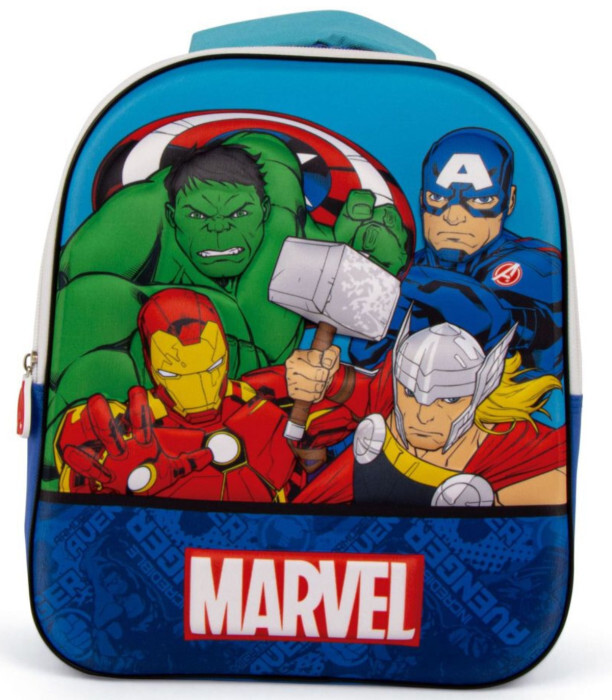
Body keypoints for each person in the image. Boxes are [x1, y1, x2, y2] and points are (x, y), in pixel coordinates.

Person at [46, 131, 410, 475]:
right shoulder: (134, 221)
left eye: (238, 215)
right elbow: (77, 311)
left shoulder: (288, 229)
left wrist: (373, 269)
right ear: (172, 216)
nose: (218, 229)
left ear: (264, 210)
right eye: (198, 216)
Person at [54, 288, 349, 501]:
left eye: (212, 366)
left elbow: (366, 399)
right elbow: (80, 440)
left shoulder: (261, 395)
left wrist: (326, 378)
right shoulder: (129, 425)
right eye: (174, 374)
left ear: (227, 351)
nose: (199, 387)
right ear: (149, 364)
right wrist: (107, 480)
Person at [290, 312, 567, 507]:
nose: (423, 416)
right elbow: (351, 385)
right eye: (411, 394)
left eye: (449, 400)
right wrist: (314, 375)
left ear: (479, 394)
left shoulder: (509, 446)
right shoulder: (390, 395)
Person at [350, 127, 563, 379]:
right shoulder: (412, 267)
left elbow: (486, 319)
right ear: (421, 198)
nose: (453, 216)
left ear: (510, 200)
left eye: (481, 200)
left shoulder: (535, 263)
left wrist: (396, 281)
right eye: (437, 197)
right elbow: (367, 362)